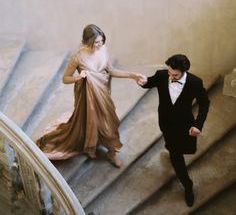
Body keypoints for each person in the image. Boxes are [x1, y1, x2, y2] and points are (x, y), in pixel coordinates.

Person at [36, 24, 143, 168]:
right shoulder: (78, 57)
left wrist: (132, 75)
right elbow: (65, 78)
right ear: (87, 41)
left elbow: (110, 70)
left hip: (102, 94)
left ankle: (111, 152)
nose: (100, 44)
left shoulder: (103, 50)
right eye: (96, 42)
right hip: (87, 98)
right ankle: (91, 147)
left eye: (101, 41)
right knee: (90, 122)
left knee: (108, 122)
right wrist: (79, 77)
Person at [138, 54, 210, 207]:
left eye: (174, 74)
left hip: (185, 125)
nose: (170, 76)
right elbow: (149, 82)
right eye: (169, 72)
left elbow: (204, 104)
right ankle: (188, 185)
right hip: (165, 123)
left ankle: (173, 151)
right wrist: (143, 82)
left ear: (184, 71)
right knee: (175, 154)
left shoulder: (194, 82)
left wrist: (198, 124)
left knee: (186, 148)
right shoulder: (162, 75)